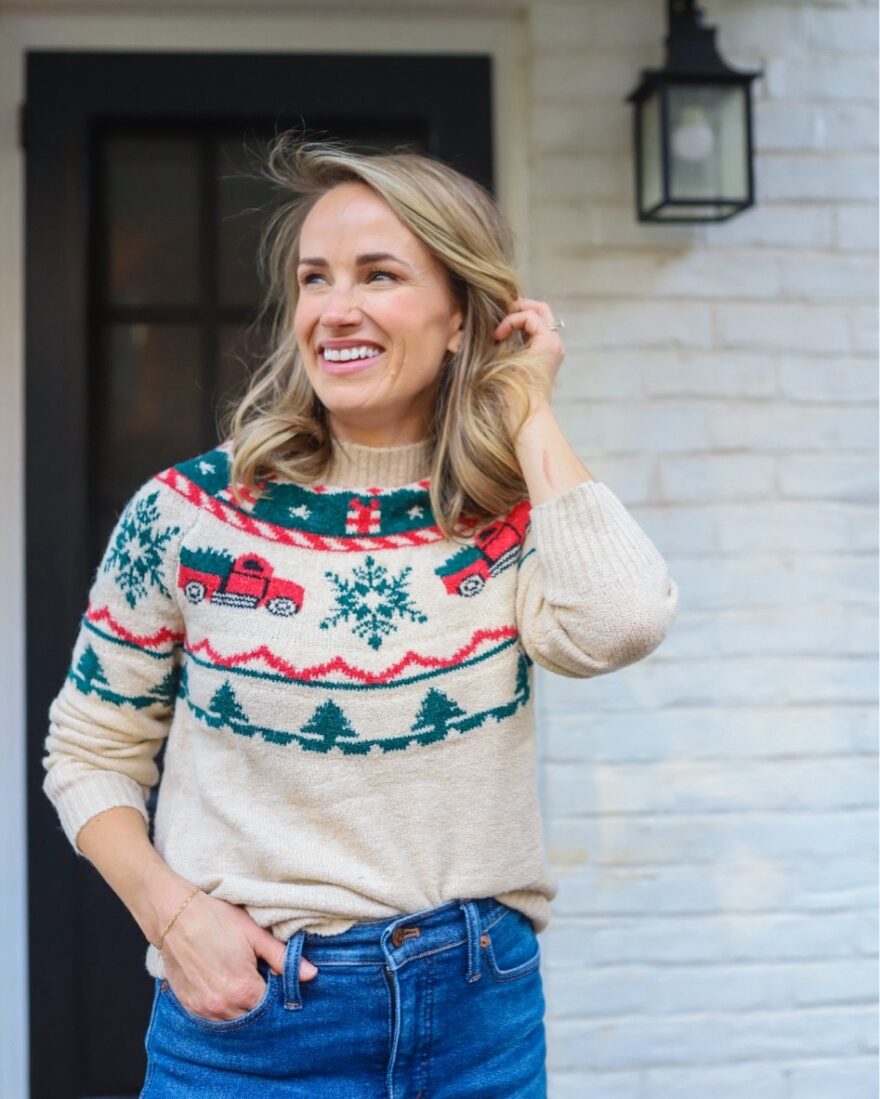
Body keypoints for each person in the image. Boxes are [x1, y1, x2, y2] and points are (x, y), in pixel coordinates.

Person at [43, 137, 680, 1098]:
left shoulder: (509, 521)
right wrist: (173, 918)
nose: (334, 310)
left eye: (379, 275)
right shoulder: (188, 515)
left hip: (481, 1010)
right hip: (257, 1018)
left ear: (462, 316)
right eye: (314, 278)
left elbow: (621, 622)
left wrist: (528, 408)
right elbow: (89, 748)